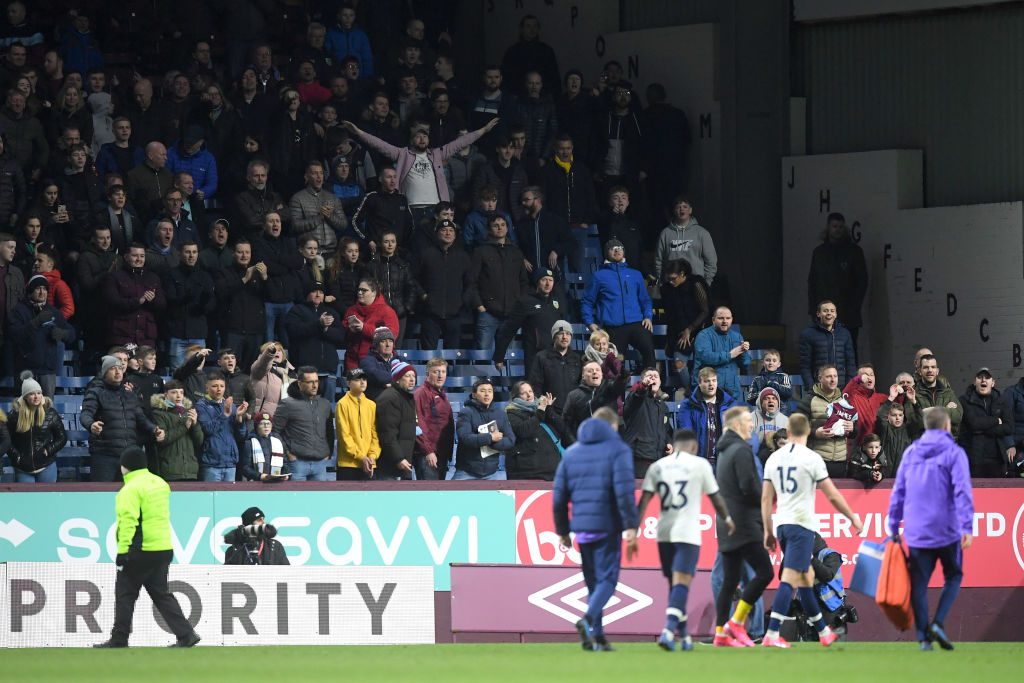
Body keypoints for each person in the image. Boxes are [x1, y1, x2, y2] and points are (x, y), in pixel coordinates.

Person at [761, 413, 863, 648]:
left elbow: (766, 499)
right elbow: (832, 494)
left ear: (787, 431)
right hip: (802, 526)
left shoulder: (773, 458)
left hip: (783, 526)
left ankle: (823, 631)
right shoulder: (812, 458)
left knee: (806, 578)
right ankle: (772, 633)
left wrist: (768, 531)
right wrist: (852, 517)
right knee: (790, 579)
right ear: (807, 431)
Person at [636, 428, 735, 651]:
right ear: (694, 446)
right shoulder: (700, 465)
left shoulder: (657, 466)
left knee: (674, 584)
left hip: (663, 533)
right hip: (687, 533)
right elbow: (716, 497)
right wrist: (728, 519)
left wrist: (633, 531)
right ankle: (669, 629)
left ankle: (684, 637)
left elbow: (644, 501)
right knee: (681, 583)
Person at [93, 446, 200, 648]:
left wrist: (123, 550)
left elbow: (128, 521)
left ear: (126, 467)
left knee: (125, 593)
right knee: (161, 594)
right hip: (164, 547)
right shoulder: (160, 483)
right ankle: (186, 634)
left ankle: (119, 638)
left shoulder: (129, 490)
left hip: (141, 548)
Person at [888, 407, 974, 651]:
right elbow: (962, 491)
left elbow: (898, 493)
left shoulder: (911, 452)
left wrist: (893, 526)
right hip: (947, 528)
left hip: (917, 531)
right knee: (954, 576)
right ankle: (938, 623)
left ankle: (923, 638)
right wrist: (967, 525)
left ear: (926, 427)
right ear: (947, 426)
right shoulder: (954, 453)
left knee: (919, 584)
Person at [552, 408, 639, 651]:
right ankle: (588, 620)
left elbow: (559, 497)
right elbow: (623, 492)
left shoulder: (571, 453)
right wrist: (631, 525)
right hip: (608, 526)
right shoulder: (618, 450)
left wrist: (562, 531)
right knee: (608, 580)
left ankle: (597, 637)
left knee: (592, 584)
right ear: (612, 426)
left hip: (582, 528)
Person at [80, 355, 163, 482]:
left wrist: (154, 429)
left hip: (128, 456)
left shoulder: (130, 395)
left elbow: (141, 418)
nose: (118, 371)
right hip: (104, 455)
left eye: (119, 368)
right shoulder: (95, 392)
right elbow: (85, 414)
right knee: (102, 496)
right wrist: (91, 425)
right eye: (113, 368)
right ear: (104, 373)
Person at [582, 239, 655, 370]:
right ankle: (617, 389)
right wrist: (590, 322)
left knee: (649, 350)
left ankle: (652, 385)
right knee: (617, 361)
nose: (617, 250)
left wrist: (648, 316)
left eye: (620, 248)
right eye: (612, 248)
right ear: (606, 253)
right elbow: (587, 302)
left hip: (636, 324)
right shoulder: (599, 276)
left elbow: (645, 299)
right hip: (614, 328)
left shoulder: (635, 274)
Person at [807, 213, 868, 354]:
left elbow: (862, 281)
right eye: (834, 226)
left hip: (848, 313)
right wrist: (813, 310)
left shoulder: (854, 252)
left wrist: (855, 306)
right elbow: (812, 282)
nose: (838, 230)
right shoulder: (819, 253)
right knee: (823, 351)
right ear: (828, 227)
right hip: (823, 313)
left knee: (848, 351)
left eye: (840, 227)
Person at [468, 213, 528, 351]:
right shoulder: (480, 251)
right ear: (489, 230)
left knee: (507, 356)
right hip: (487, 312)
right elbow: (471, 282)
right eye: (495, 225)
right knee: (483, 355)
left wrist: (519, 305)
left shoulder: (516, 252)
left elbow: (523, 282)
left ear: (507, 228)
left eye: (503, 225)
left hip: (511, 313)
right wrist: (479, 306)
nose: (500, 228)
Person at [7, 274, 75, 397]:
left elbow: (71, 333)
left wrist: (63, 333)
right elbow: (15, 335)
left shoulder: (53, 312)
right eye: (38, 288)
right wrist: (35, 323)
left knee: (48, 411)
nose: (41, 292)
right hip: (26, 370)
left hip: (47, 371)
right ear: (30, 291)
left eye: (44, 289)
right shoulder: (18, 311)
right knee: (25, 411)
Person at [493, 267, 567, 374]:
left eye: (550, 280)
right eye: (544, 280)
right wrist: (499, 356)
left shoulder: (558, 301)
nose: (548, 284)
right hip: (534, 356)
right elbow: (508, 330)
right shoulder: (525, 302)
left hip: (555, 355)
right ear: (537, 282)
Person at [414, 219, 471, 350]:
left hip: (455, 314)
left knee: (452, 356)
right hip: (430, 313)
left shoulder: (463, 256)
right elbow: (413, 278)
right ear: (436, 233)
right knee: (428, 355)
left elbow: (470, 283)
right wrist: (423, 296)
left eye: (451, 231)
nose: (448, 233)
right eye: (444, 230)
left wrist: (463, 301)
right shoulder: (426, 254)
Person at [273, 366, 335, 482]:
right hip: (297, 463)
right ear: (300, 384)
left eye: (316, 381)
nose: (315, 385)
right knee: (296, 499)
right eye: (310, 382)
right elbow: (275, 431)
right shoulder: (287, 404)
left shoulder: (325, 404)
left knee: (319, 500)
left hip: (320, 463)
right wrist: (288, 453)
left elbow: (330, 431)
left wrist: (329, 452)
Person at [795, 364, 854, 479]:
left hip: (840, 462)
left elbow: (855, 429)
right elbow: (796, 427)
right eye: (828, 377)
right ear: (820, 378)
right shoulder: (809, 400)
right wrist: (815, 433)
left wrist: (852, 427)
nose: (833, 380)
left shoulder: (845, 400)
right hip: (817, 460)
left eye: (835, 376)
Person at [6, 373, 67, 483]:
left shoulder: (51, 414)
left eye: (39, 393)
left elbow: (62, 437)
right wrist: (16, 456)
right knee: (26, 500)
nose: (36, 397)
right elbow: (5, 439)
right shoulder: (14, 416)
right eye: (32, 394)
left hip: (46, 465)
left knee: (47, 499)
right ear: (25, 397)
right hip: (23, 468)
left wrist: (48, 450)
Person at [453, 378, 516, 481]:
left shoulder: (501, 414)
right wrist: (490, 437)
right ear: (474, 394)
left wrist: (493, 442)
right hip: (466, 472)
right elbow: (465, 438)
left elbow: (510, 440)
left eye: (490, 391)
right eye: (482, 391)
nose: (487, 394)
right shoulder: (466, 412)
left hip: (493, 472)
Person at [676, 366, 738, 468]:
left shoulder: (730, 404)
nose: (711, 384)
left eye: (714, 380)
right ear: (699, 383)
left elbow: (736, 433)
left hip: (724, 462)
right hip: (698, 463)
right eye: (707, 381)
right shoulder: (687, 406)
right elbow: (686, 434)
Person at [958, 367, 1014, 477]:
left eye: (987, 377)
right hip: (973, 459)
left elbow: (1009, 427)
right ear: (974, 382)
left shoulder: (1002, 401)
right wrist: (996, 420)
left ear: (993, 383)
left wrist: (984, 429)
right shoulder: (964, 400)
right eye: (980, 377)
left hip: (997, 459)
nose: (983, 380)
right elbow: (974, 424)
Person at [505, 380, 564, 481]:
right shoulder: (511, 413)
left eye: (530, 391)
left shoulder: (542, 408)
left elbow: (562, 428)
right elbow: (524, 431)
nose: (529, 395)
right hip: (528, 472)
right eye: (523, 393)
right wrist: (541, 410)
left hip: (552, 470)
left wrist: (548, 408)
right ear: (516, 397)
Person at [195, 371, 248, 482]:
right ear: (207, 388)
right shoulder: (201, 405)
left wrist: (239, 418)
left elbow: (241, 435)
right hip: (211, 463)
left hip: (230, 462)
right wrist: (224, 415)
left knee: (228, 499)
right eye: (215, 386)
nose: (219, 389)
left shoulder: (231, 406)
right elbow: (208, 429)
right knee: (209, 498)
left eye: (222, 386)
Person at [563, 359, 629, 446]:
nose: (594, 372)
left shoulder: (609, 389)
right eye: (590, 371)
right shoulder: (573, 395)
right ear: (583, 375)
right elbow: (566, 424)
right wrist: (575, 444)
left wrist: (622, 377)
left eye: (598, 370)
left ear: (602, 374)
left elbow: (618, 386)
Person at [621, 368, 673, 478]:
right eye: (649, 376)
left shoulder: (663, 406)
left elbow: (667, 430)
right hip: (639, 458)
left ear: (660, 382)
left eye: (656, 376)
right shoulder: (635, 397)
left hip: (659, 460)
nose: (653, 378)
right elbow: (637, 395)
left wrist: (669, 443)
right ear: (643, 381)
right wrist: (643, 386)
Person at [149, 380, 204, 482]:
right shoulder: (158, 414)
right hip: (170, 471)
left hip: (191, 471)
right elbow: (162, 440)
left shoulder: (189, 412)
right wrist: (184, 427)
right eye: (174, 392)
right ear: (166, 394)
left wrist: (195, 424)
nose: (178, 396)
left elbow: (199, 441)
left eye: (181, 392)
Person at [655, 197, 717, 286]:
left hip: (695, 285)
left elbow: (711, 262)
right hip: (672, 285)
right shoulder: (665, 233)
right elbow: (658, 261)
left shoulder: (702, 233)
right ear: (674, 210)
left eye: (685, 206)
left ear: (690, 210)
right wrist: (662, 283)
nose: (681, 209)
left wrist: (705, 283)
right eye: (678, 207)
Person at [343, 277, 399, 370]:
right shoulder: (351, 311)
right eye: (359, 290)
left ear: (374, 293)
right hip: (353, 362)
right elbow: (344, 336)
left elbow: (392, 335)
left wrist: (363, 328)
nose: (360, 293)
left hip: (377, 364)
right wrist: (350, 330)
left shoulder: (387, 311)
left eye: (364, 290)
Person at [694, 306, 749, 402]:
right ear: (713, 320)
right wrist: (729, 355)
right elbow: (706, 357)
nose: (725, 321)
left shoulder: (737, 336)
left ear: (732, 319)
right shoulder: (703, 335)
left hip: (732, 392)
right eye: (721, 318)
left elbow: (745, 364)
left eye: (728, 318)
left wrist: (743, 352)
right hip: (708, 392)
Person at [799, 300, 856, 389]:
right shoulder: (808, 334)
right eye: (825, 311)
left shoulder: (845, 334)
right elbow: (805, 366)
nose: (829, 313)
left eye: (832, 311)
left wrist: (848, 388)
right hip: (819, 388)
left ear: (836, 314)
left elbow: (851, 364)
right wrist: (812, 389)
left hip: (841, 389)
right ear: (818, 314)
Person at [335, 368, 381, 481]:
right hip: (348, 464)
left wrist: (372, 456)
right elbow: (344, 436)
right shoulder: (342, 404)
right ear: (348, 383)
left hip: (369, 463)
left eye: (364, 379)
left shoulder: (372, 405)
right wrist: (361, 457)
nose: (362, 382)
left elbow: (375, 434)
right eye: (357, 379)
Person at [375, 362, 418, 480]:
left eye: (413, 376)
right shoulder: (390, 397)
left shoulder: (405, 397)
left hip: (403, 463)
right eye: (407, 376)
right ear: (397, 379)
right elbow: (387, 433)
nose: (412, 379)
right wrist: (398, 458)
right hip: (391, 465)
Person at [414, 357, 455, 480]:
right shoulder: (421, 394)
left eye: (443, 372)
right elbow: (417, 425)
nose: (440, 375)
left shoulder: (442, 394)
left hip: (441, 454)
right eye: (436, 372)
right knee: (428, 495)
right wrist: (428, 451)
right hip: (428, 455)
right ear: (427, 374)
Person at [915, 354, 963, 437]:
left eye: (933, 367)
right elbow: (914, 422)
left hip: (945, 444)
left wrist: (931, 410)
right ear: (920, 371)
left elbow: (958, 417)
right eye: (926, 367)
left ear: (937, 371)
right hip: (924, 445)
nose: (930, 370)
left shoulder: (948, 393)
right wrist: (946, 410)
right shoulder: (913, 394)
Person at [224, 506, 290, 564]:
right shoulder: (234, 550)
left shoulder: (275, 546)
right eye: (259, 520)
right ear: (249, 525)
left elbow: (287, 572)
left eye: (263, 519)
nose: (264, 523)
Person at [241, 412, 292, 482]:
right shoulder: (250, 443)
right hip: (257, 483)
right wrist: (259, 476)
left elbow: (285, 464)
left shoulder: (277, 442)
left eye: (268, 423)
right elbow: (245, 468)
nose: (266, 426)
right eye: (262, 423)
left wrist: (286, 475)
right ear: (256, 426)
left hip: (276, 483)